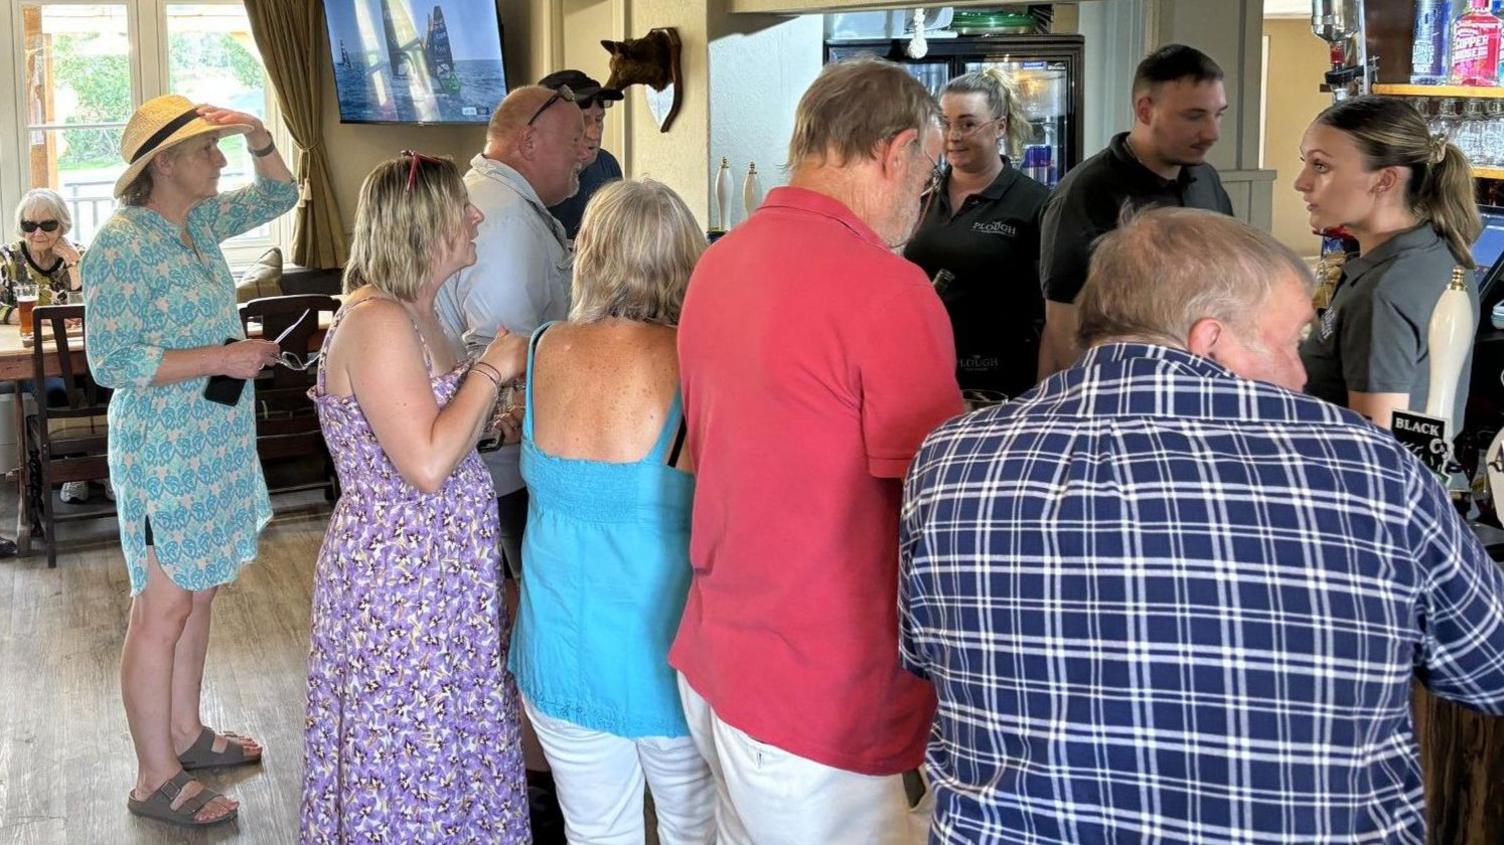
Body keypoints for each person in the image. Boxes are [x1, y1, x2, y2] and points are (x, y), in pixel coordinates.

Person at [900, 206, 1504, 843]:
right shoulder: (1365, 462)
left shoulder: (950, 457)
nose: (1300, 377)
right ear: (1207, 339)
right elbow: (1488, 667)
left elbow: (920, 653)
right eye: (1292, 342)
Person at [671, 58, 963, 844]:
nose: (922, 197)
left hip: (718, 653)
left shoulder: (716, 261)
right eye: (929, 172)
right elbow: (943, 508)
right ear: (896, 152)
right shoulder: (890, 288)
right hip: (823, 686)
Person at [299, 151, 531, 841]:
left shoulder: (419, 313)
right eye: (462, 206)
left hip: (439, 576)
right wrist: (493, 368)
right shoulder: (377, 322)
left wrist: (488, 412)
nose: (477, 215)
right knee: (410, 744)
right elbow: (426, 462)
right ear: (425, 224)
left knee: (445, 737)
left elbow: (435, 434)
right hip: (399, 583)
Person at [84, 93, 297, 827]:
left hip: (212, 439)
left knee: (199, 591)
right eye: (208, 149)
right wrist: (223, 355)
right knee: (163, 606)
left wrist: (259, 132)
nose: (220, 159)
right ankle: (154, 776)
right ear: (164, 165)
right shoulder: (119, 245)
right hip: (161, 449)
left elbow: (281, 191)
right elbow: (111, 360)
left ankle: (185, 732)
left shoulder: (199, 223)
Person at [508, 178, 714, 843]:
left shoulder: (542, 349)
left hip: (560, 650)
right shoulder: (698, 364)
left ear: (590, 253)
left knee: (596, 831)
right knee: (694, 829)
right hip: (672, 655)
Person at [435, 82, 588, 842]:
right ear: (528, 142)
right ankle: (529, 779)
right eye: (572, 141)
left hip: (499, 457)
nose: (585, 153)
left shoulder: (510, 204)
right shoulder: (503, 217)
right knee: (522, 613)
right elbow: (499, 348)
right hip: (499, 463)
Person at [1037, 43, 1233, 379]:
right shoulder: (1086, 191)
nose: (1212, 133)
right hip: (1115, 387)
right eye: (1194, 116)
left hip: (1196, 380)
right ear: (1145, 110)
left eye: (1218, 115)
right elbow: (1064, 322)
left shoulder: (1206, 179)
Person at [1296, 96, 1482, 432]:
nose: (1301, 182)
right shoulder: (1439, 249)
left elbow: (1375, 448)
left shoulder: (1381, 294)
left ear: (1384, 180)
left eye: (1320, 166)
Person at [903, 66, 1049, 400]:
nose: (953, 135)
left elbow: (1053, 312)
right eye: (945, 123)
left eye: (967, 124)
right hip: (923, 372)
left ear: (1000, 127)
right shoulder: (919, 195)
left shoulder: (1035, 204)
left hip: (998, 385)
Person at [1, 188, 90, 503]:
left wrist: (74, 267)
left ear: (62, 225)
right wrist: (16, 315)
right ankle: (74, 470)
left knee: (107, 387)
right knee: (59, 393)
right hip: (34, 356)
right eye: (29, 225)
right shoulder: (8, 258)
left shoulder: (77, 254)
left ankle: (102, 470)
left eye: (47, 225)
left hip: (82, 353)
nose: (37, 232)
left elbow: (95, 306)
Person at [539, 69, 624, 240]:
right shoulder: (527, 179)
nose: (594, 134)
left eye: (599, 120)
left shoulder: (607, 166)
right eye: (583, 121)